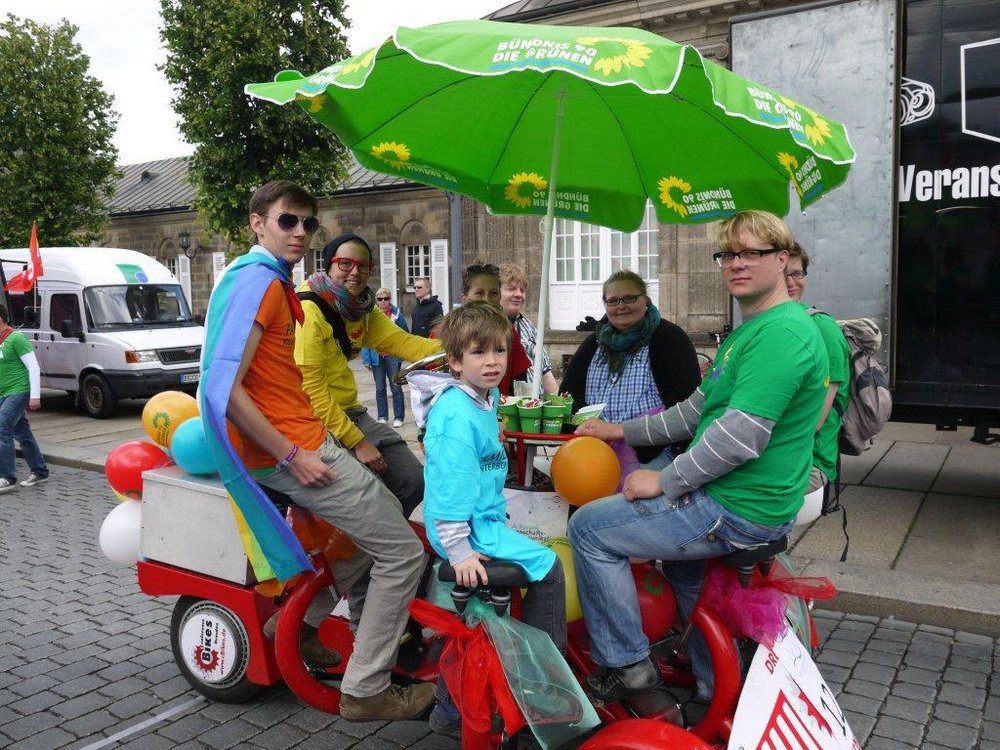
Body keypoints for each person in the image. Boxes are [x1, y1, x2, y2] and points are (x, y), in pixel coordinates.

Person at [568, 210, 828, 704]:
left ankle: (627, 666)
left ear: (781, 259)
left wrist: (664, 481)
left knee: (589, 529)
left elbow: (738, 437)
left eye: (750, 253)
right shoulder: (752, 331)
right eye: (728, 254)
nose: (736, 264)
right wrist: (619, 429)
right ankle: (719, 687)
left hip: (737, 506)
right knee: (687, 570)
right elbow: (693, 411)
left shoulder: (782, 335)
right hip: (742, 498)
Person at [199, 180, 434, 722]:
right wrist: (290, 456)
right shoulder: (260, 282)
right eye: (288, 220)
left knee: (363, 531)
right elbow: (224, 389)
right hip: (298, 446)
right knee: (404, 552)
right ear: (257, 222)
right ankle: (366, 687)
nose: (300, 232)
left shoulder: (268, 281)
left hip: (302, 437)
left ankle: (296, 627)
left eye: (308, 223)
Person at [408, 301, 566, 737]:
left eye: (499, 351)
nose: (493, 361)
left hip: (481, 522)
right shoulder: (456, 415)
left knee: (477, 620)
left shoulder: (483, 396)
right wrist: (459, 549)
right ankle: (543, 681)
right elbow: (448, 488)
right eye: (479, 353)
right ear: (455, 362)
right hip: (466, 530)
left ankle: (448, 711)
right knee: (549, 569)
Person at [295, 234, 440, 517]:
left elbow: (406, 343)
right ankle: (373, 549)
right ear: (329, 265)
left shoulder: (362, 310)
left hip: (351, 413)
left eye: (363, 265)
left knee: (413, 480)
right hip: (315, 421)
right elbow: (310, 390)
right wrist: (357, 442)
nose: (355, 272)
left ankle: (383, 546)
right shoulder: (308, 310)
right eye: (345, 263)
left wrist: (467, 348)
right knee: (373, 498)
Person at [560, 270, 701, 468]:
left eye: (630, 298)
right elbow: (567, 397)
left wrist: (637, 443)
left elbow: (685, 406)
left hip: (651, 451)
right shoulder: (594, 342)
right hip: (593, 450)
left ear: (646, 300)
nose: (621, 306)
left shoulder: (670, 338)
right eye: (613, 301)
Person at [785, 243, 850, 510]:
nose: (791, 283)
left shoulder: (822, 327)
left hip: (806, 462)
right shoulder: (775, 323)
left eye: (797, 274)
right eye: (783, 275)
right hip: (779, 456)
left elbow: (816, 421)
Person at [458, 263, 532, 397]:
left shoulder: (508, 331)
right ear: (465, 298)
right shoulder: (449, 332)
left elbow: (519, 379)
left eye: (493, 293)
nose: (487, 300)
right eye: (479, 293)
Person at [0, 304, 49, 492]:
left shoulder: (17, 338)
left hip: (19, 390)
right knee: (22, 433)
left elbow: (33, 367)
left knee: (2, 428)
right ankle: (40, 471)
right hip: (3, 393)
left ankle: (7, 477)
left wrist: (35, 396)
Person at [498, 262, 559, 394]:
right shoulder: (488, 329)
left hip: (532, 408)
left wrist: (561, 405)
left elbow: (546, 374)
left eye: (522, 290)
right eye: (511, 288)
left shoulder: (529, 327)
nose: (519, 294)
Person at [361, 288, 408, 428]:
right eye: (380, 299)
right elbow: (365, 337)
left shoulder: (397, 314)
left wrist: (401, 352)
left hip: (392, 355)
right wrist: (366, 359)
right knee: (380, 387)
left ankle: (399, 416)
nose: (383, 301)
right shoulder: (370, 315)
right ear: (376, 300)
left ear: (390, 299)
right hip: (377, 357)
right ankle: (382, 416)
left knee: (396, 387)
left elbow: (405, 333)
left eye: (386, 298)